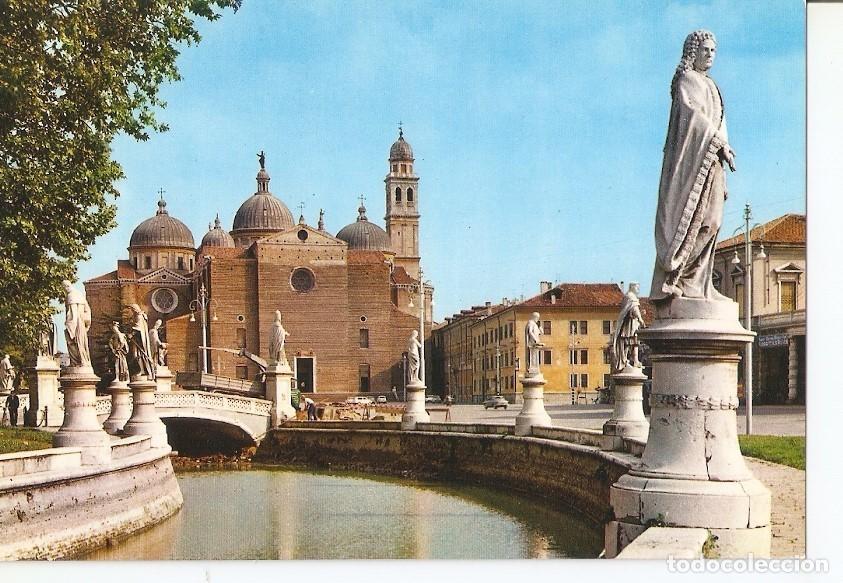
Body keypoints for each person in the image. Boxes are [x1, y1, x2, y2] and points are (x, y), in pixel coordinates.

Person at [650, 30, 736, 302]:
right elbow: (693, 117)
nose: (710, 55)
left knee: (714, 222)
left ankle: (700, 284)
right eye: (705, 49)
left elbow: (720, 123)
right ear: (693, 52)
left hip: (712, 162)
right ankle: (681, 281)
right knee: (700, 222)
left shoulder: (712, 85)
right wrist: (718, 142)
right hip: (693, 163)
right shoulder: (687, 80)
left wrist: (724, 148)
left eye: (713, 50)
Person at [612, 282, 647, 371]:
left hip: (633, 324)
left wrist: (640, 314)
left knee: (633, 342)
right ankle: (625, 360)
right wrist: (640, 319)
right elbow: (634, 310)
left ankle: (634, 360)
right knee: (628, 342)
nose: (638, 290)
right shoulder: (630, 297)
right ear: (632, 287)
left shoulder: (629, 297)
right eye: (637, 288)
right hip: (629, 325)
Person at [62, 280, 92, 367]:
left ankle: (76, 362)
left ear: (67, 286)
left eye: (64, 288)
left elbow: (72, 314)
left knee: (73, 342)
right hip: (82, 323)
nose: (64, 290)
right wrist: (87, 323)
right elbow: (87, 310)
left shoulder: (71, 296)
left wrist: (70, 326)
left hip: (75, 324)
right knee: (82, 343)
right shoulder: (79, 295)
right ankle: (83, 361)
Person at [127, 304, 155, 380]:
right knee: (136, 355)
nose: (131, 311)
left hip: (139, 340)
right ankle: (141, 371)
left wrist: (131, 334)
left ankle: (141, 371)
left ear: (134, 309)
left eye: (132, 310)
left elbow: (138, 328)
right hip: (137, 339)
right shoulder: (138, 316)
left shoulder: (138, 316)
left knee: (137, 355)